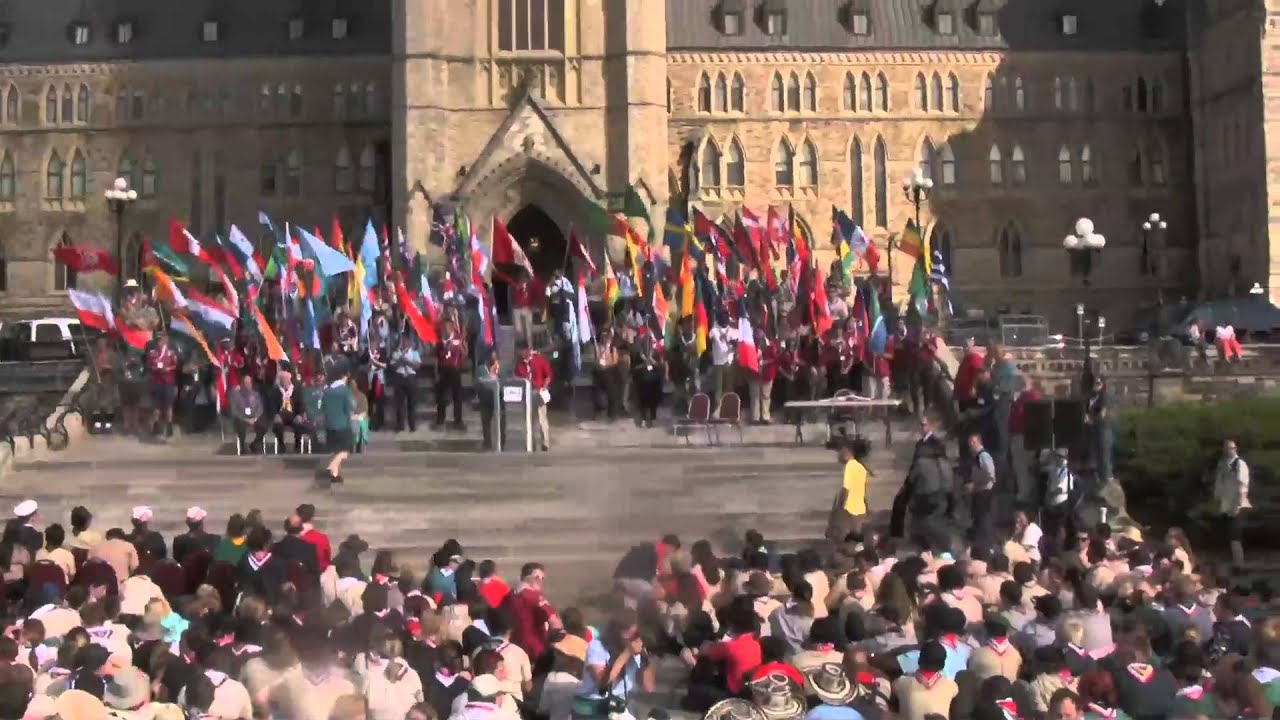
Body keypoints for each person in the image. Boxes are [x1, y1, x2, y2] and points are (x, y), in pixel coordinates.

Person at [1213, 438, 1251, 568]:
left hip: (1238, 505)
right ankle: (1236, 563)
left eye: (1232, 448)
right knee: (1230, 536)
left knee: (1235, 536)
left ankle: (1240, 565)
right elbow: (1219, 484)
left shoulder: (1240, 464)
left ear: (1236, 449)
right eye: (1227, 448)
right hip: (1226, 506)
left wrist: (1238, 504)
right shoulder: (1223, 464)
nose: (1229, 450)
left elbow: (1243, 485)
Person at [826, 439, 869, 543]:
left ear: (847, 451)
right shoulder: (860, 467)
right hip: (859, 510)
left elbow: (846, 490)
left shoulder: (850, 466)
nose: (838, 455)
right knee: (856, 541)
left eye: (840, 451)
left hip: (849, 511)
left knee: (843, 541)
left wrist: (838, 510)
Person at [514, 340, 553, 452]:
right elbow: (517, 377)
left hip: (538, 391)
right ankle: (531, 443)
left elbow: (548, 375)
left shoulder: (539, 360)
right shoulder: (519, 364)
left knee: (541, 419)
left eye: (520, 351)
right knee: (528, 420)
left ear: (526, 350)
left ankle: (545, 442)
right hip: (526, 394)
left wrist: (544, 387)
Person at [322, 367, 356, 485]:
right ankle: (330, 468)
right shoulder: (344, 390)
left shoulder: (326, 390)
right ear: (344, 377)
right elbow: (349, 409)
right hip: (342, 425)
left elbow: (323, 408)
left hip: (329, 425)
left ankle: (334, 475)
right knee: (345, 451)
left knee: (336, 451)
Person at [434, 319, 466, 431]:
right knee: (441, 396)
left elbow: (464, 353)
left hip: (455, 369)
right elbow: (438, 355)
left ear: (452, 327)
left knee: (457, 396)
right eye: (444, 327)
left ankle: (458, 420)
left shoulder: (458, 338)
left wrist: (460, 347)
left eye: (447, 327)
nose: (445, 329)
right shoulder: (440, 340)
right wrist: (446, 347)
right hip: (443, 369)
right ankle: (440, 420)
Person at [146, 330, 179, 437]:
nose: (160, 342)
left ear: (166, 339)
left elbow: (175, 365)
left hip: (168, 382)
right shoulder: (152, 352)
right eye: (158, 339)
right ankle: (156, 426)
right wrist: (156, 369)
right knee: (156, 406)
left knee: (168, 405)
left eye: (162, 339)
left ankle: (169, 427)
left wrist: (168, 368)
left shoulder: (171, 352)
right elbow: (149, 366)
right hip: (156, 382)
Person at [265, 370, 308, 453]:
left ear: (289, 379)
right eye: (282, 379)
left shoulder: (296, 390)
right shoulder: (275, 391)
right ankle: (281, 445)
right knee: (277, 425)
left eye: (285, 379)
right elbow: (271, 406)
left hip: (293, 415)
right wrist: (275, 415)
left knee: (299, 424)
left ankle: (297, 445)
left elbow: (301, 403)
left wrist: (299, 415)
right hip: (281, 415)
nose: (283, 381)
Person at [966, 433, 997, 547]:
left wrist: (975, 484)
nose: (971, 445)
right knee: (979, 518)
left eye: (974, 442)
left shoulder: (984, 456)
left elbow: (990, 475)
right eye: (970, 443)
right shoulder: (976, 457)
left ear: (980, 442)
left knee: (983, 518)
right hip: (978, 492)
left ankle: (988, 543)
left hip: (984, 492)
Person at [1085, 375, 1114, 484]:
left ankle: (1107, 480)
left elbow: (1102, 413)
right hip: (1094, 430)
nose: (1095, 385)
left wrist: (1090, 420)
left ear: (1103, 385)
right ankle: (1101, 479)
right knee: (1097, 455)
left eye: (1098, 383)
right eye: (1094, 383)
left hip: (1103, 429)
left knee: (1104, 454)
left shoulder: (1104, 396)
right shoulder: (1091, 397)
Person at [389, 335, 422, 432]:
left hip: (411, 378)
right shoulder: (396, 353)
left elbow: (418, 366)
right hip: (399, 378)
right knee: (399, 403)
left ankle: (412, 425)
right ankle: (400, 425)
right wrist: (400, 359)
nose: (405, 344)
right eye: (403, 342)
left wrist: (407, 362)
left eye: (407, 342)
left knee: (411, 403)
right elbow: (393, 366)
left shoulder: (415, 353)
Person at [228, 374, 266, 455]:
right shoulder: (235, 395)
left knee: (263, 425)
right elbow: (234, 411)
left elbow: (260, 408)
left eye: (249, 383)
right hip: (242, 419)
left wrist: (255, 418)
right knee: (241, 425)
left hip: (253, 417)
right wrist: (245, 419)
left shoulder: (256, 394)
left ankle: (255, 443)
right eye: (245, 383)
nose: (247, 385)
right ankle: (242, 446)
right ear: (242, 384)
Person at [476, 352, 505, 451]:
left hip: (498, 398)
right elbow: (479, 382)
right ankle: (487, 442)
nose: (493, 359)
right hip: (485, 399)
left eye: (495, 357)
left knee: (501, 421)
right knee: (485, 421)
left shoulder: (500, 368)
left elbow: (504, 380)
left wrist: (496, 373)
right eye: (491, 357)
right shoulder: (481, 369)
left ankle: (502, 441)